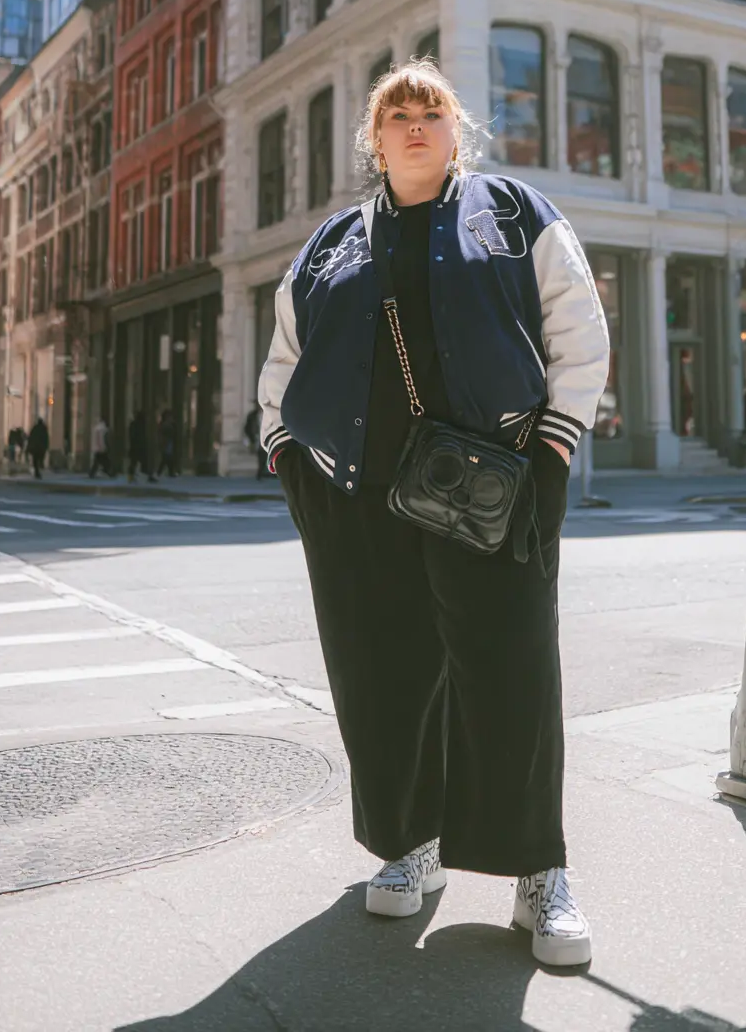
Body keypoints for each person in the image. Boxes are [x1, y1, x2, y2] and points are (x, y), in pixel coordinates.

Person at [259, 61, 609, 968]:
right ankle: (407, 845)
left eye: (433, 112)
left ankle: (539, 873)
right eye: (397, 115)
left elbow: (578, 330)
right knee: (381, 678)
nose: (415, 126)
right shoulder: (329, 244)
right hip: (356, 497)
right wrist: (287, 457)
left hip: (496, 487)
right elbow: (282, 361)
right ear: (374, 140)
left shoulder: (516, 213)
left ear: (459, 131)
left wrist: (553, 453)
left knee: (513, 673)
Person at [127, 410, 157, 483]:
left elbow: (132, 436)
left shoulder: (133, 424)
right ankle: (149, 475)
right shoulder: (141, 425)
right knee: (144, 462)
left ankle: (131, 477)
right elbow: (141, 436)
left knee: (134, 462)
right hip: (140, 446)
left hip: (135, 446)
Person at [245, 403, 268, 480]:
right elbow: (247, 427)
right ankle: (260, 472)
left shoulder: (268, 414)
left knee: (265, 455)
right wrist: (251, 437)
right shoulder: (253, 415)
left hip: (266, 438)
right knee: (260, 455)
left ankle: (264, 471)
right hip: (257, 438)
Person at [156, 410, 178, 478]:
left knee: (167, 458)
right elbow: (168, 434)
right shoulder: (166, 425)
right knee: (166, 458)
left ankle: (168, 471)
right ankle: (167, 472)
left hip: (167, 443)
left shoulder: (166, 424)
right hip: (166, 443)